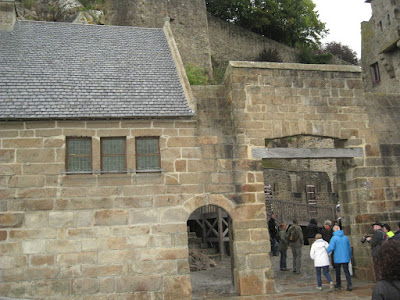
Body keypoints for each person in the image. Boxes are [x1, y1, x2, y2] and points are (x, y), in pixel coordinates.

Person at [327, 225, 352, 291]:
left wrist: (326, 251)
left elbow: (331, 247)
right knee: (346, 271)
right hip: (345, 256)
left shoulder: (334, 238)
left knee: (338, 271)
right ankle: (349, 284)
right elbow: (349, 247)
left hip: (338, 257)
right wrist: (349, 255)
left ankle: (338, 284)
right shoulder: (345, 237)